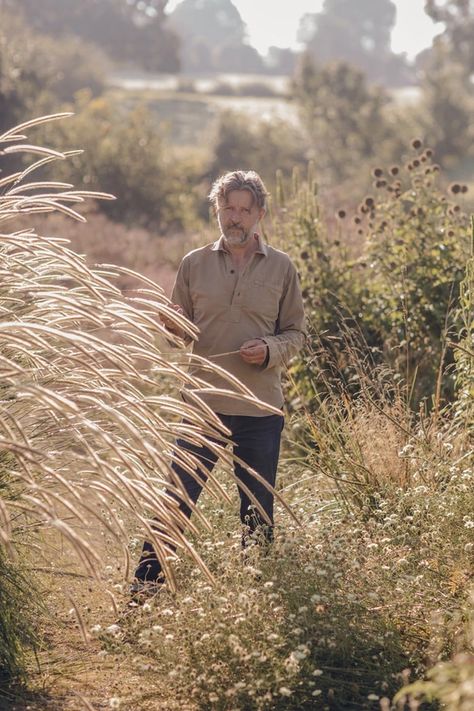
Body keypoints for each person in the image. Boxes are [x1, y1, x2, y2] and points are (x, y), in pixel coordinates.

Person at [132, 170, 305, 591]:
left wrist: (268, 350)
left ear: (260, 214)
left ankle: (257, 600)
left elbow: (297, 334)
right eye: (228, 208)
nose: (236, 218)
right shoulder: (194, 263)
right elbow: (182, 330)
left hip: (260, 410)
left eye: (245, 210)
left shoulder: (282, 267)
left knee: (257, 514)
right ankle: (141, 597)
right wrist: (171, 326)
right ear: (217, 210)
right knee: (174, 502)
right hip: (201, 406)